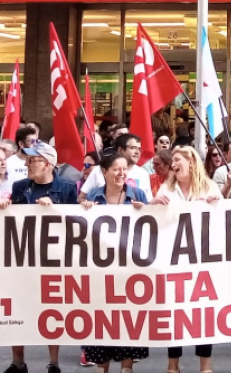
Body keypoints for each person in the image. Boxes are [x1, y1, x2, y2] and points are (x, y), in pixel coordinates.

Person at [0, 142, 77, 373]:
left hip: (53, 259)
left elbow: (77, 224)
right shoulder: (21, 187)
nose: (27, 164)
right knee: (18, 307)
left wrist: (55, 209)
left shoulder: (67, 188)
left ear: (48, 164)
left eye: (33, 160)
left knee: (53, 310)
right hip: (22, 258)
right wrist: (4, 206)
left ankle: (53, 362)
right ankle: (17, 361)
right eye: (28, 160)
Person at [151, 146, 221, 373]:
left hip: (202, 260)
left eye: (178, 159)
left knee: (203, 312)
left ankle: (205, 365)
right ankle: (173, 364)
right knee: (174, 310)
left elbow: (226, 220)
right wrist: (153, 206)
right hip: (174, 260)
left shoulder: (209, 187)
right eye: (172, 160)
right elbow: (154, 223)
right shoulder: (166, 188)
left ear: (191, 162)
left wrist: (217, 203)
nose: (173, 163)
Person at [81, 153, 149, 373]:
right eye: (116, 169)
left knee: (128, 318)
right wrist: (84, 208)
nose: (121, 173)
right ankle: (102, 367)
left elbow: (151, 228)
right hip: (100, 272)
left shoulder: (137, 194)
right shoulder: (93, 196)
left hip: (129, 270)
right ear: (104, 172)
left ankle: (127, 368)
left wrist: (145, 211)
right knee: (101, 318)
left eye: (124, 169)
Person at [79, 134, 153, 202]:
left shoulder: (143, 173)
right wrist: (89, 206)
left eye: (139, 149)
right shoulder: (99, 170)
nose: (137, 152)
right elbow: (81, 198)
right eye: (133, 148)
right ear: (120, 150)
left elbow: (148, 203)